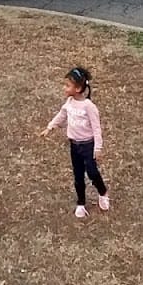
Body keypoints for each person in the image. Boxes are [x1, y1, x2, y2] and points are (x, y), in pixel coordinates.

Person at [41, 66, 109, 219]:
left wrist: (97, 148)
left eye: (67, 85)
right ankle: (81, 203)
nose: (64, 88)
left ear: (78, 88)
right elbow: (61, 115)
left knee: (92, 172)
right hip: (74, 146)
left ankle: (103, 192)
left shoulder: (89, 107)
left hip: (88, 146)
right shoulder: (69, 102)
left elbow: (97, 129)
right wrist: (50, 127)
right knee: (78, 176)